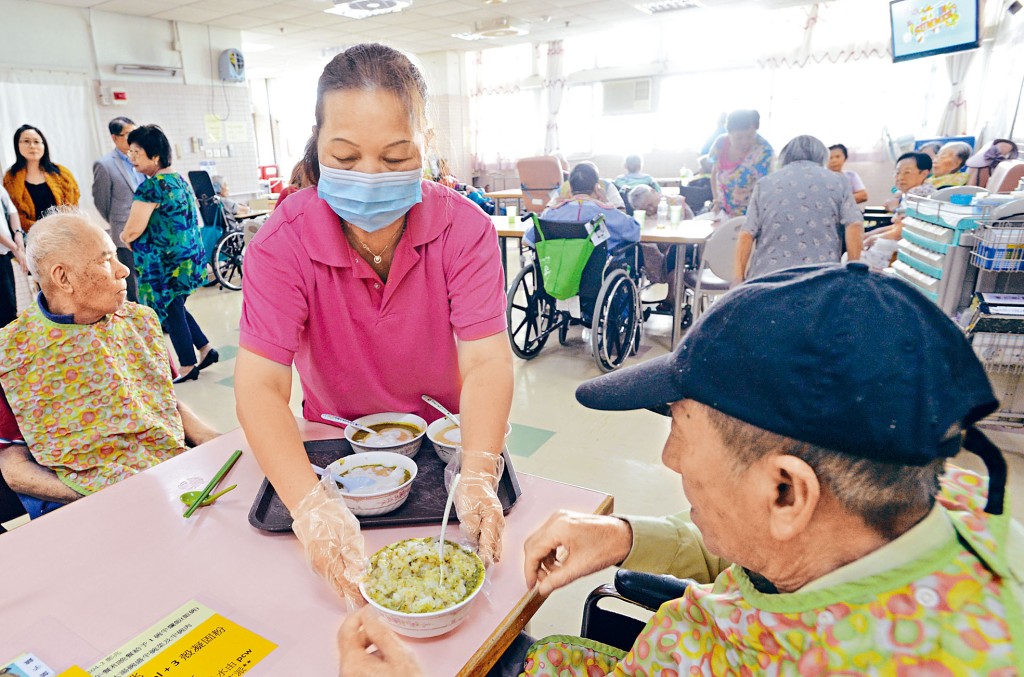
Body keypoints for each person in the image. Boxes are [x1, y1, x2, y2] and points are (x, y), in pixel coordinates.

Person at [338, 262, 1023, 676]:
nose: (667, 457)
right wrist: (629, 536)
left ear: (785, 487)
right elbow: (770, 555)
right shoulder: (921, 507)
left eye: (681, 427)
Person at [234, 43, 512, 604]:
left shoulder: (465, 231)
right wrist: (309, 507)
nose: (369, 176)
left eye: (394, 157)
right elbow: (260, 385)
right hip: (332, 444)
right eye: (344, 157)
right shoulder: (281, 244)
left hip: (444, 446)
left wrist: (480, 472)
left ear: (426, 145)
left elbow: (485, 361)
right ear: (318, 147)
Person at [0, 210, 219, 519]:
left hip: (170, 478)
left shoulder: (140, 321)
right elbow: (14, 469)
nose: (123, 271)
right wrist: (108, 496)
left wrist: (217, 444)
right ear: (63, 277)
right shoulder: (11, 353)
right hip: (82, 506)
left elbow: (165, 403)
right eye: (105, 261)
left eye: (116, 257)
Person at [120, 125, 217, 383]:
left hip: (165, 265)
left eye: (137, 152)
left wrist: (123, 237)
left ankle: (187, 365)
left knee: (171, 311)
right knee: (176, 307)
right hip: (188, 259)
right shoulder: (179, 181)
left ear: (155, 156)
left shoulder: (151, 187)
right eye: (130, 152)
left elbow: (131, 230)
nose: (132, 158)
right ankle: (206, 349)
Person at [735, 135, 863, 282]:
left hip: (767, 278)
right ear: (822, 156)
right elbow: (854, 224)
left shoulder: (764, 184)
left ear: (785, 156)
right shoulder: (839, 181)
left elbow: (747, 233)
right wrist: (854, 272)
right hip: (821, 278)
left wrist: (738, 278)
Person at [527, 163, 640, 253]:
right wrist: (606, 203)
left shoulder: (550, 214)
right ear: (597, 188)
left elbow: (527, 240)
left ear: (570, 188)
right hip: (597, 275)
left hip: (559, 273)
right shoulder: (606, 214)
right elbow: (635, 232)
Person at [93, 116, 146, 303]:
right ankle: (139, 325)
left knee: (152, 280)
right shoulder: (105, 165)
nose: (135, 139)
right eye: (129, 134)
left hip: (149, 232)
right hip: (124, 234)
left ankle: (159, 320)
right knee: (132, 285)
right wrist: (118, 223)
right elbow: (102, 201)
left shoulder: (144, 157)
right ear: (115, 138)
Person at [2, 125, 80, 233]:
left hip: (65, 233)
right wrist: (43, 230)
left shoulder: (62, 173)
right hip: (32, 238)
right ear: (17, 145)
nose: (32, 146)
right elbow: (15, 215)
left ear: (44, 145)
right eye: (26, 141)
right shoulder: (11, 178)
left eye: (37, 141)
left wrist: (61, 228)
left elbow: (73, 206)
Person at [707, 109, 773, 216]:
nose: (745, 141)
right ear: (729, 133)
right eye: (739, 137)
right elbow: (714, 174)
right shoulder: (721, 143)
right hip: (722, 211)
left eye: (750, 136)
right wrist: (716, 201)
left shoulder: (764, 152)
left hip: (751, 214)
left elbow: (765, 188)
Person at [871, 152, 936, 244]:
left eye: (907, 172)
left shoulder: (922, 197)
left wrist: (869, 239)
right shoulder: (911, 192)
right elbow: (897, 227)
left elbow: (900, 232)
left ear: (924, 174)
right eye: (898, 172)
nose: (900, 177)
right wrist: (870, 235)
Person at [0, 186, 27, 326]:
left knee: (10, 310)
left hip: (4, 256)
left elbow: (12, 211)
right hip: (5, 252)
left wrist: (17, 233)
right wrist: (15, 248)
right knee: (6, 313)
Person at [555, 161, 625, 210]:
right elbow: (623, 219)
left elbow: (546, 215)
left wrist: (556, 208)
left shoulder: (607, 186)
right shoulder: (564, 188)